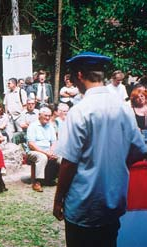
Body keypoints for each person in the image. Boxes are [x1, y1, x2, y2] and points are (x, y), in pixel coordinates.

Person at [53, 52, 147, 247]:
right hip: (112, 201)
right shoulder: (123, 109)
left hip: (83, 203)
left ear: (79, 75)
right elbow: (139, 150)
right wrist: (116, 163)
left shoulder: (80, 110)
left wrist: (58, 198)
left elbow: (69, 162)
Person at [26, 107, 58, 192]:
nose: (47, 118)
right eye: (45, 116)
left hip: (48, 150)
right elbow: (31, 144)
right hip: (34, 151)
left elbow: (54, 142)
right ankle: (37, 182)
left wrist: (51, 151)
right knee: (42, 157)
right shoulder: (33, 126)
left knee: (62, 157)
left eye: (49, 116)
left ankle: (58, 179)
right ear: (39, 115)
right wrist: (46, 153)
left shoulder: (50, 127)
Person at [3, 77, 27, 142]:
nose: (7, 85)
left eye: (9, 83)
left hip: (19, 117)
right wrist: (6, 115)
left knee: (21, 134)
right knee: (10, 134)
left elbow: (25, 105)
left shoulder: (21, 92)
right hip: (10, 117)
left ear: (14, 84)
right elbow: (5, 104)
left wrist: (23, 117)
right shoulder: (7, 93)